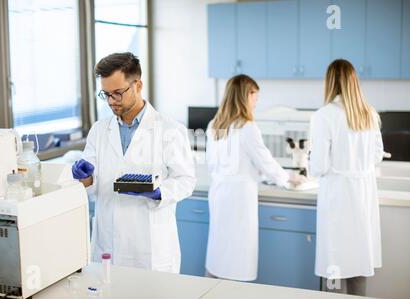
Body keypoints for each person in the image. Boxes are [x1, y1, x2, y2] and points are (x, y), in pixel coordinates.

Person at [72, 52, 196, 273]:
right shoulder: (100, 130)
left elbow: (186, 180)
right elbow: (91, 182)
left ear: (137, 85)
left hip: (149, 248)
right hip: (108, 245)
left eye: (117, 93)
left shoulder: (170, 130)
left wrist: (159, 192)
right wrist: (85, 177)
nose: (111, 101)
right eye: (106, 94)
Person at [205, 74, 304, 281]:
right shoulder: (247, 127)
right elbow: (265, 161)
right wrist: (287, 178)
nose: (256, 101)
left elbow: (213, 163)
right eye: (254, 96)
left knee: (220, 252)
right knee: (238, 257)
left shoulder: (215, 124)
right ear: (245, 96)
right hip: (239, 199)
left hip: (219, 194)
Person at [309, 59, 384, 296]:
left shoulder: (324, 115)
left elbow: (319, 166)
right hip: (363, 197)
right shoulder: (369, 113)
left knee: (334, 264)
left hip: (338, 197)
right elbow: (377, 155)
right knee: (358, 263)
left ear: (329, 82)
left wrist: (312, 159)